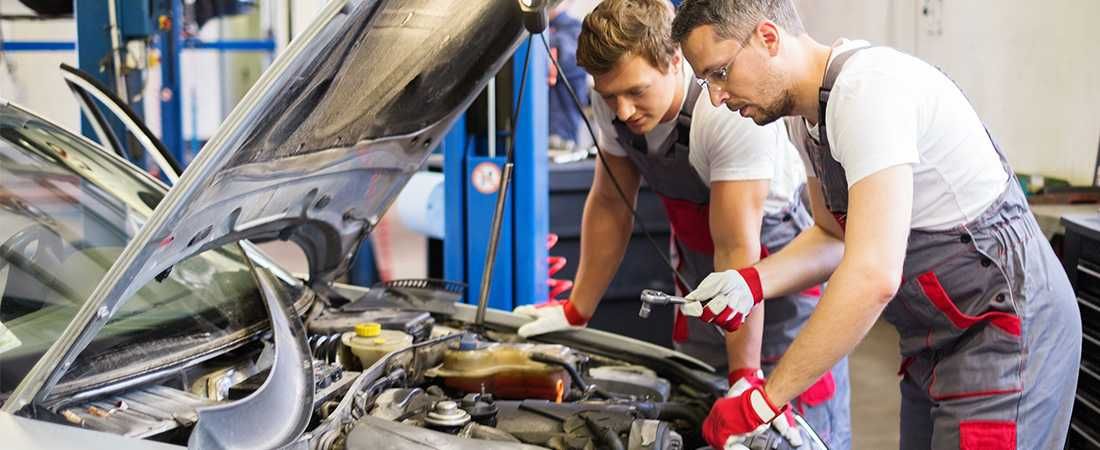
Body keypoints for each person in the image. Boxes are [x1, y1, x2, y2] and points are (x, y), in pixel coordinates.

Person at [669, 1, 1082, 448]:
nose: (715, 97)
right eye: (705, 81)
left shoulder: (867, 93)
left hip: (1004, 334)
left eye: (721, 73)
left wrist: (763, 402)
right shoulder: (806, 121)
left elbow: (872, 276)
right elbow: (832, 237)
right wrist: (751, 282)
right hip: (934, 342)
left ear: (768, 38)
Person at [512, 0, 851, 447]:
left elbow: (736, 248)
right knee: (695, 417)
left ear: (675, 60)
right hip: (700, 281)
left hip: (775, 286)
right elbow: (612, 202)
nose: (624, 109)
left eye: (636, 91)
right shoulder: (612, 95)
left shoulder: (724, 114)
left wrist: (746, 376)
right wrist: (577, 309)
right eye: (610, 95)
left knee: (790, 434)